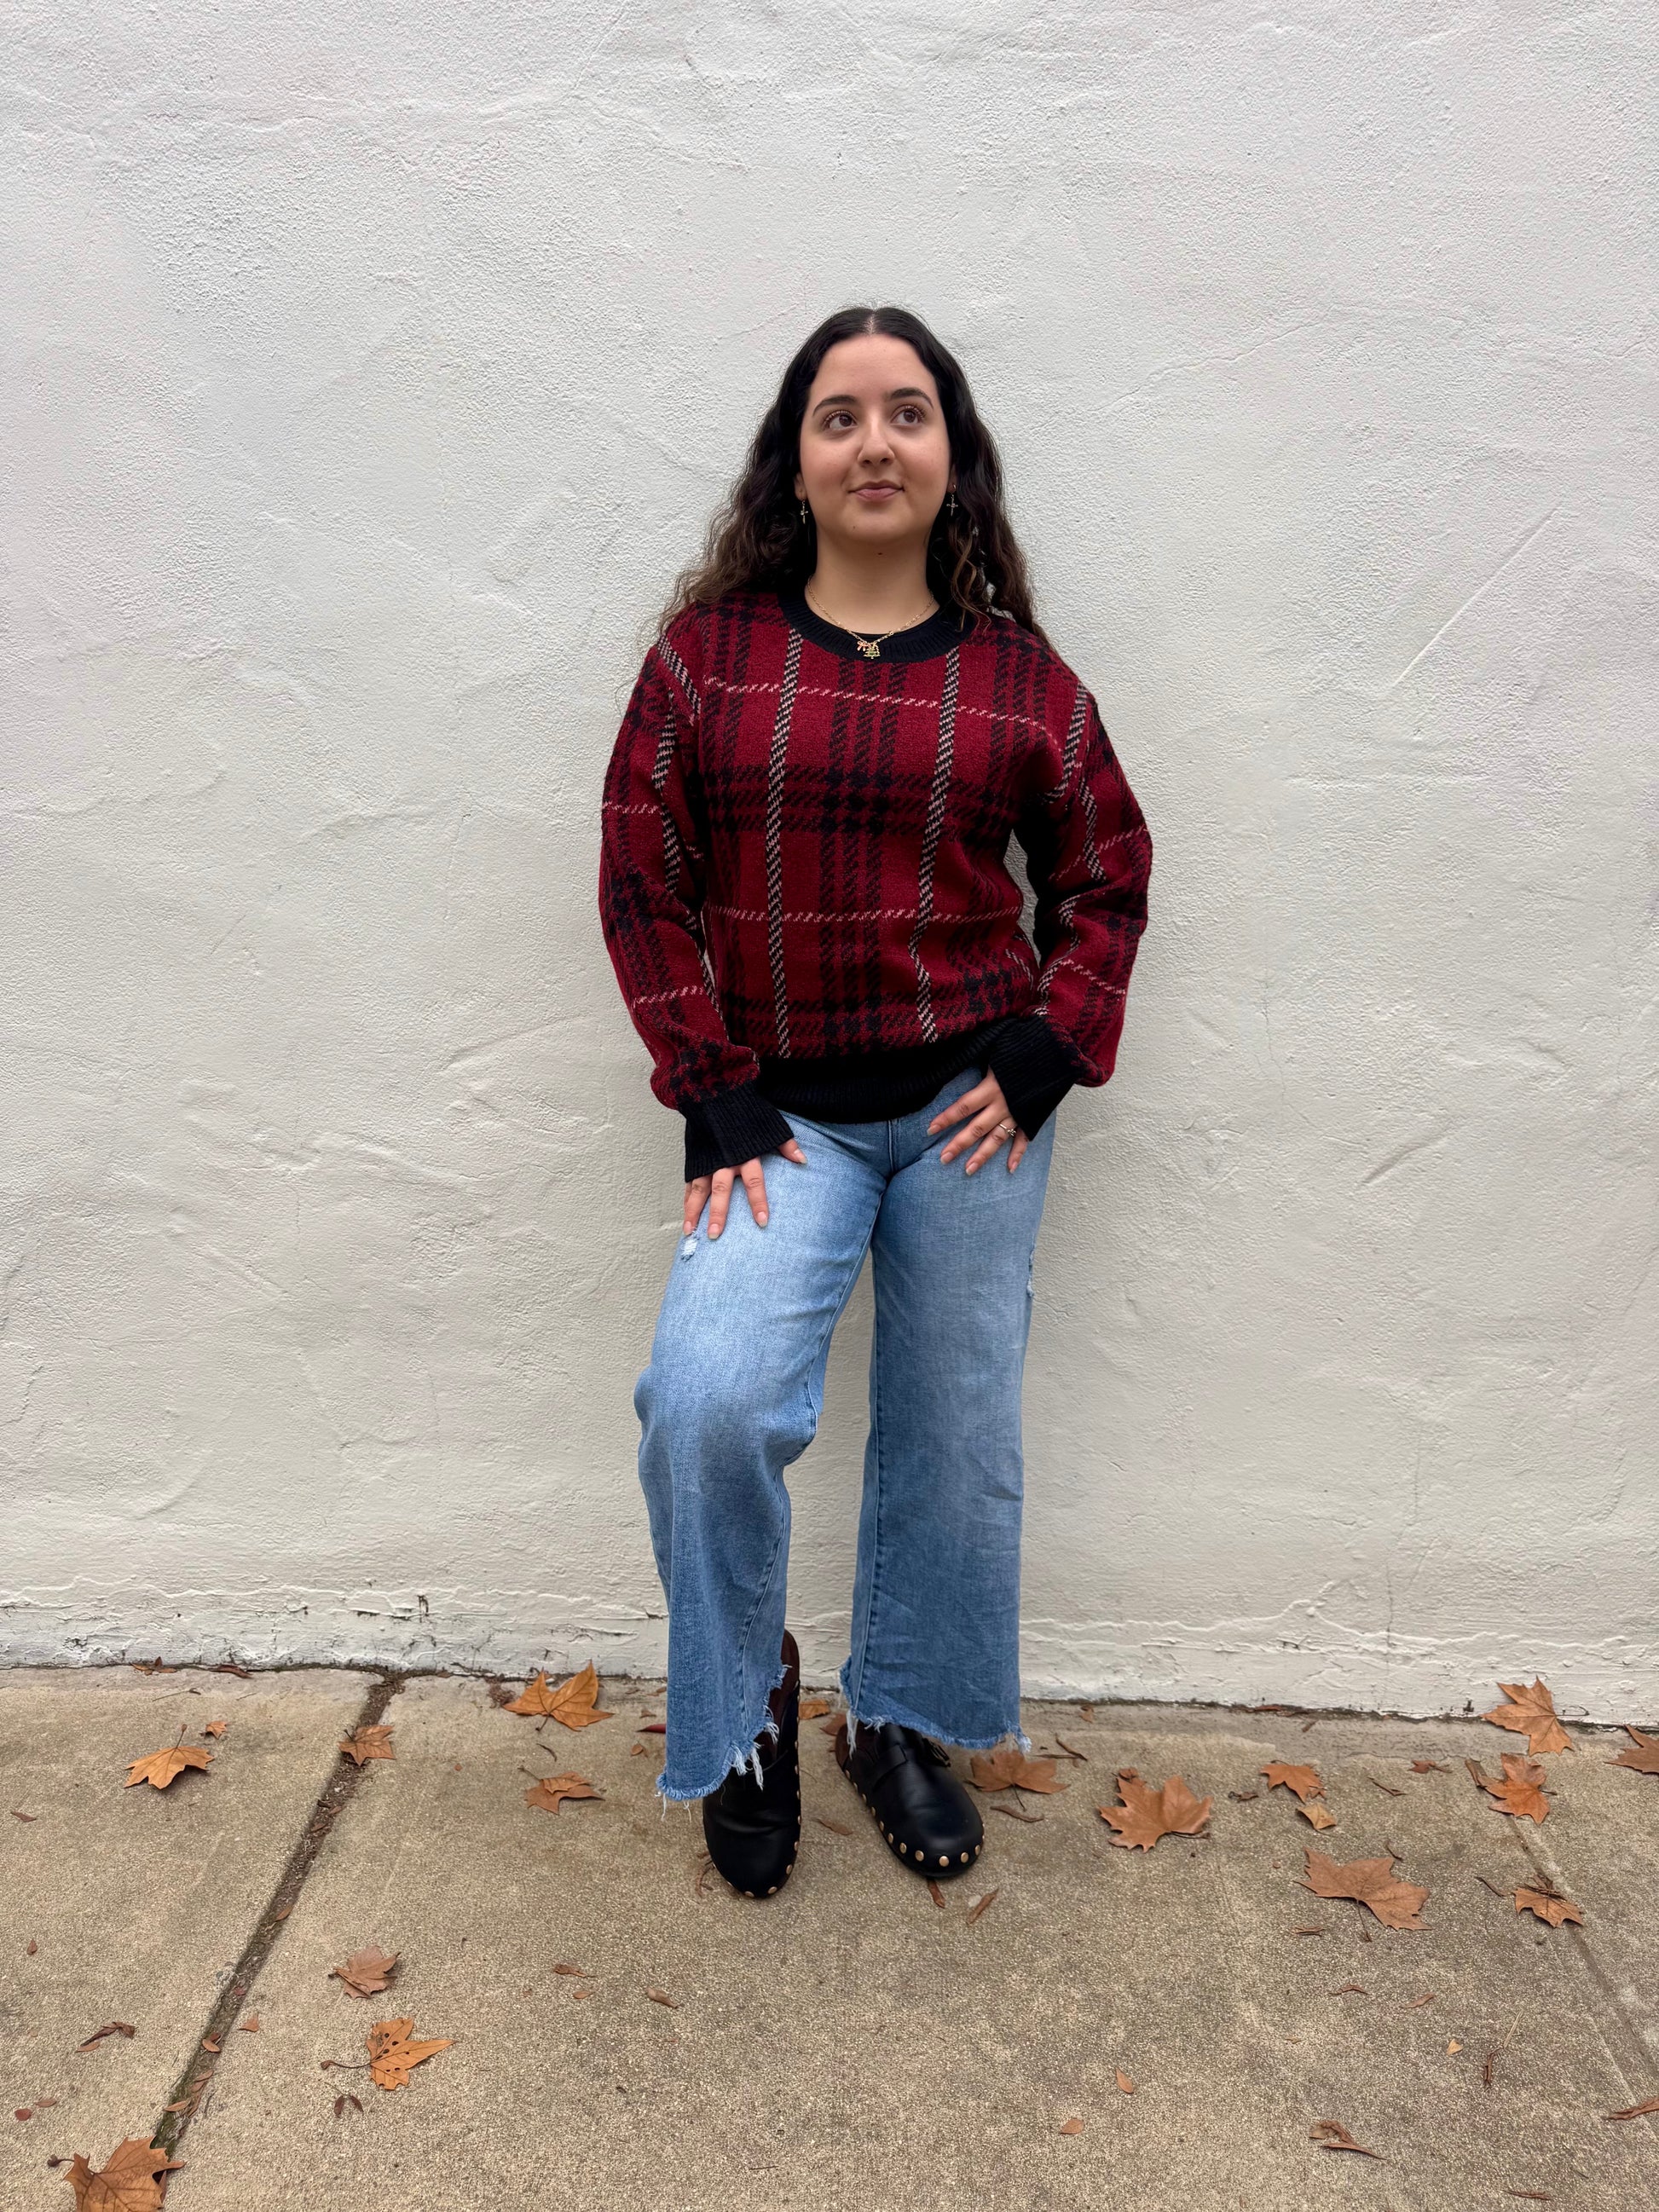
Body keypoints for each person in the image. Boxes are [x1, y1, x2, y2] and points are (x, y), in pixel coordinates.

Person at [597, 303, 1153, 1900]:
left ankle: (896, 1709)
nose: (872, 443)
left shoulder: (1020, 681)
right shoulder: (708, 662)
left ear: (951, 460)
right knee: (706, 1402)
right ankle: (744, 1711)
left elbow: (1107, 875)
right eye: (837, 416)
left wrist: (1050, 1046)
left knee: (954, 1434)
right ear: (794, 463)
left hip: (972, 1116)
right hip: (780, 1121)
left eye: (906, 413)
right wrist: (709, 1090)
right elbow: (641, 883)